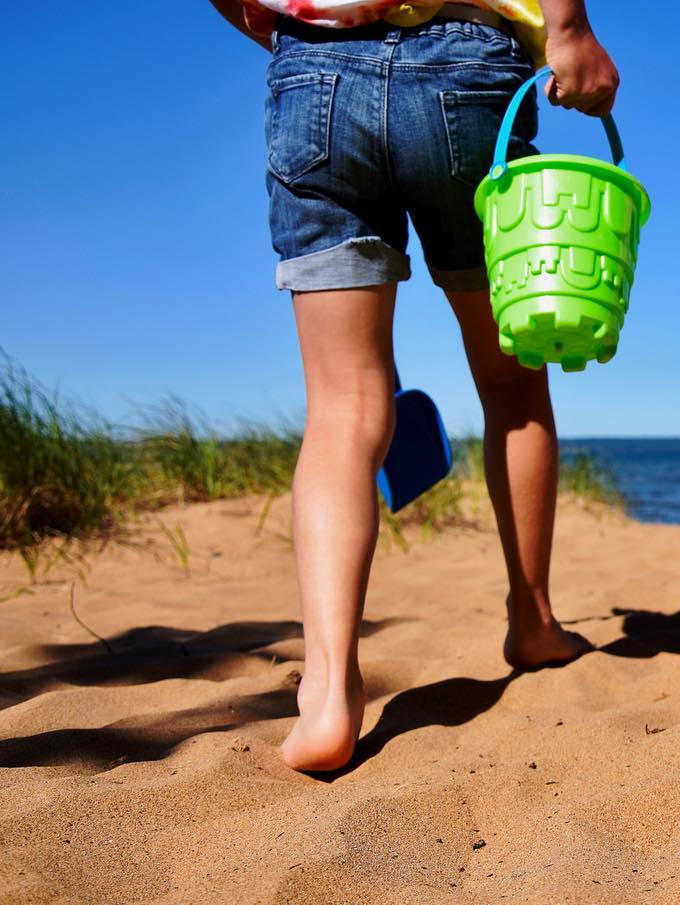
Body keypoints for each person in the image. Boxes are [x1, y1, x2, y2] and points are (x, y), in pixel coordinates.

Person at [208, 0, 619, 770]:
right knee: (511, 384)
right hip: (464, 72)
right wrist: (568, 29)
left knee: (342, 408)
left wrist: (292, 30)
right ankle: (532, 622)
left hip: (313, 76)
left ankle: (329, 691)